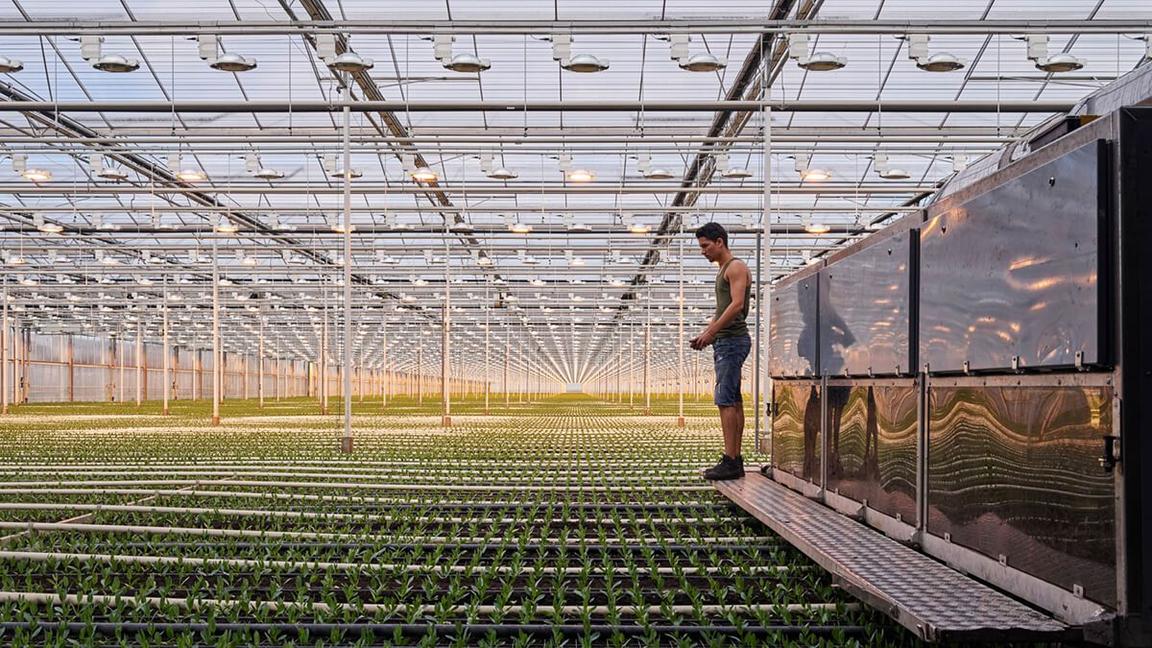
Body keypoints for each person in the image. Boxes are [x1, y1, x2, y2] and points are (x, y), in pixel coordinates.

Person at [690, 222, 752, 481]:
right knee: (733, 400)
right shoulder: (724, 270)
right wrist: (707, 333)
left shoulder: (735, 267)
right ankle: (734, 459)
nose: (703, 251)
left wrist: (711, 333)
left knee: (725, 400)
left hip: (732, 341)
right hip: (727, 340)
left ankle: (730, 460)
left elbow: (737, 305)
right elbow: (723, 309)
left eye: (705, 246)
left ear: (719, 242)